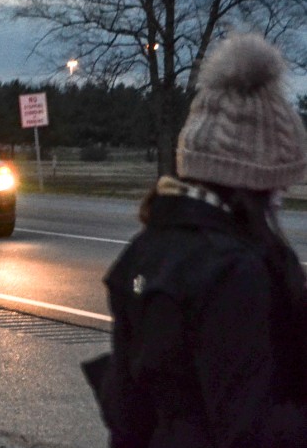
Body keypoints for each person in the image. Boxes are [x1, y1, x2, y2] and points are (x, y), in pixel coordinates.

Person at [92, 32, 307, 446]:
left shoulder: (148, 249)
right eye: (276, 189)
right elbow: (250, 429)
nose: (279, 203)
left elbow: (128, 413)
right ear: (250, 185)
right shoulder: (234, 272)